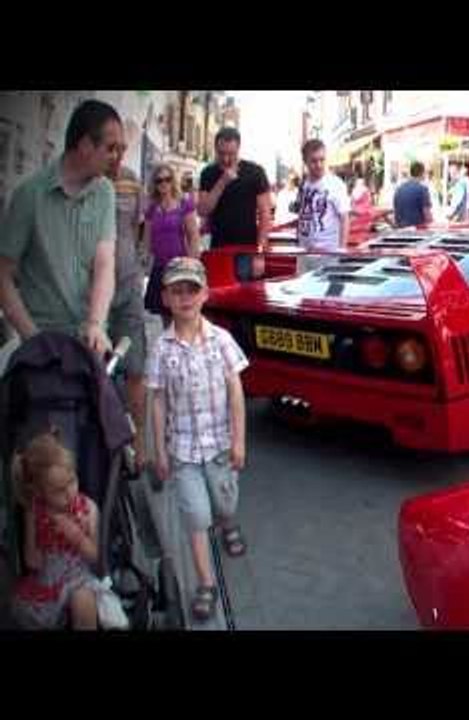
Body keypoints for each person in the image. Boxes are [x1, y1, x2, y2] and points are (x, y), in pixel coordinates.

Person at [146, 257, 249, 622]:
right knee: (195, 514)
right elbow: (157, 401)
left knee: (223, 503)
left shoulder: (221, 340)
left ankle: (228, 522)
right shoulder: (161, 348)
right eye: (177, 290)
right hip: (183, 451)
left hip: (220, 446)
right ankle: (206, 583)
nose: (185, 297)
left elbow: (235, 391)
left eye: (192, 289)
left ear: (205, 294)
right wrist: (158, 449)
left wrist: (239, 440)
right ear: (166, 298)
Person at [0, 99, 121, 357]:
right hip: (42, 342)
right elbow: (3, 274)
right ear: (86, 145)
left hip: (90, 341)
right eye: (110, 148)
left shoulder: (105, 192)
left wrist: (96, 324)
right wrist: (31, 336)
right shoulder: (29, 195)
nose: (116, 157)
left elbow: (105, 263)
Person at [9, 429, 100, 630]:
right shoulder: (35, 511)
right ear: (40, 491)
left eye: (72, 482)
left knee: (83, 601)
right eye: (59, 490)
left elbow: (95, 556)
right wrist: (42, 546)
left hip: (79, 578)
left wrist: (77, 535)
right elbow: (31, 560)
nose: (69, 494)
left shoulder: (88, 508)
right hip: (47, 582)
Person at [105, 136, 149, 470]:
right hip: (93, 292)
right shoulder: (89, 183)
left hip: (128, 285)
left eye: (121, 149)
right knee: (96, 368)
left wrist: (138, 263)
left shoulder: (132, 180)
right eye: (110, 148)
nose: (117, 156)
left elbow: (137, 226)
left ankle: (139, 444)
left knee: (136, 367)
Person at [143, 164, 201, 325]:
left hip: (179, 267)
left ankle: (185, 348)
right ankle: (171, 349)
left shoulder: (184, 203)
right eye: (159, 180)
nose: (164, 184)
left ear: (172, 181)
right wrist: (143, 260)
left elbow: (193, 235)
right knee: (165, 316)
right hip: (160, 267)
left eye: (167, 179)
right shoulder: (152, 208)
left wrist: (191, 263)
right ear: (154, 183)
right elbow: (147, 238)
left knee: (182, 315)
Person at [197, 127, 272, 252]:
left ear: (238, 148)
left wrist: (260, 249)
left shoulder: (255, 172)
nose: (226, 159)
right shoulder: (208, 173)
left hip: (247, 246)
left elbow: (265, 213)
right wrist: (222, 182)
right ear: (215, 149)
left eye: (231, 154)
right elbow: (203, 210)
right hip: (218, 246)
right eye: (221, 154)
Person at [293, 139, 351, 252]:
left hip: (328, 251)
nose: (319, 165)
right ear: (305, 161)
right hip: (304, 251)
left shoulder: (335, 184)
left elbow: (345, 217)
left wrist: (341, 250)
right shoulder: (304, 185)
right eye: (314, 161)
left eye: (322, 160)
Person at [393, 161, 434, 228]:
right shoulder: (422, 189)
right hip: (416, 231)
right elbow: (427, 214)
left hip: (400, 231)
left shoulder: (399, 189)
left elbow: (396, 211)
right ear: (422, 173)